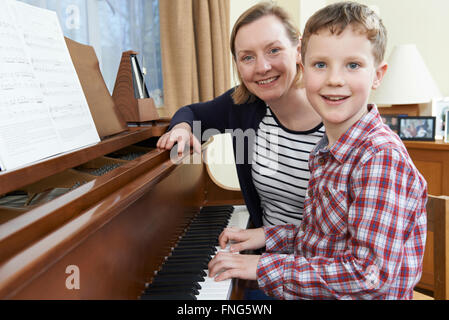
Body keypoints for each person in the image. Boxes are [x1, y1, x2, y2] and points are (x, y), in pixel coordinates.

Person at [208, 1, 427, 300]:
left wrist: (262, 265)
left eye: (353, 65)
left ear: (377, 74)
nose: (334, 79)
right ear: (303, 64)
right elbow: (322, 240)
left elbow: (367, 276)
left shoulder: (380, 158)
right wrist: (266, 235)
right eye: (320, 65)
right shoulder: (327, 149)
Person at [157, 2, 324, 228]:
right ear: (236, 64)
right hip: (262, 253)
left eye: (273, 50)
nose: (262, 67)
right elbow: (192, 113)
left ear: (299, 50)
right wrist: (181, 129)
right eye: (247, 57)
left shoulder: (335, 112)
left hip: (318, 260)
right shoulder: (244, 105)